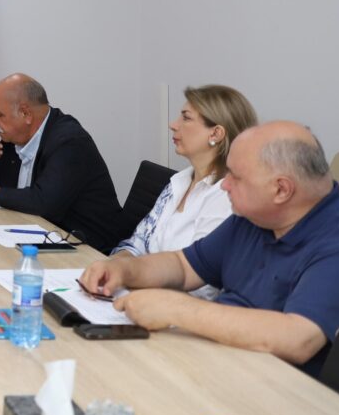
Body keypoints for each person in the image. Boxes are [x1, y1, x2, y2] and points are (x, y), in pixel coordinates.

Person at [80, 122, 339, 377]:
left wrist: (176, 309)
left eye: (236, 177)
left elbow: (297, 339)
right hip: (234, 367)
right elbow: (183, 266)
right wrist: (125, 268)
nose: (224, 184)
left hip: (317, 408)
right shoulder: (256, 217)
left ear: (281, 190)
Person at [110, 85, 258, 298]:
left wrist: (131, 276)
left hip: (173, 308)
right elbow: (137, 244)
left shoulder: (226, 196)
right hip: (141, 295)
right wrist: (114, 267)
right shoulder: (178, 182)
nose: (173, 125)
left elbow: (204, 286)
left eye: (186, 118)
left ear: (216, 133)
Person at [0, 74, 123, 252]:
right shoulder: (16, 137)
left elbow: (44, 202)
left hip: (91, 251)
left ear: (26, 113)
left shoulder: (70, 141)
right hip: (42, 237)